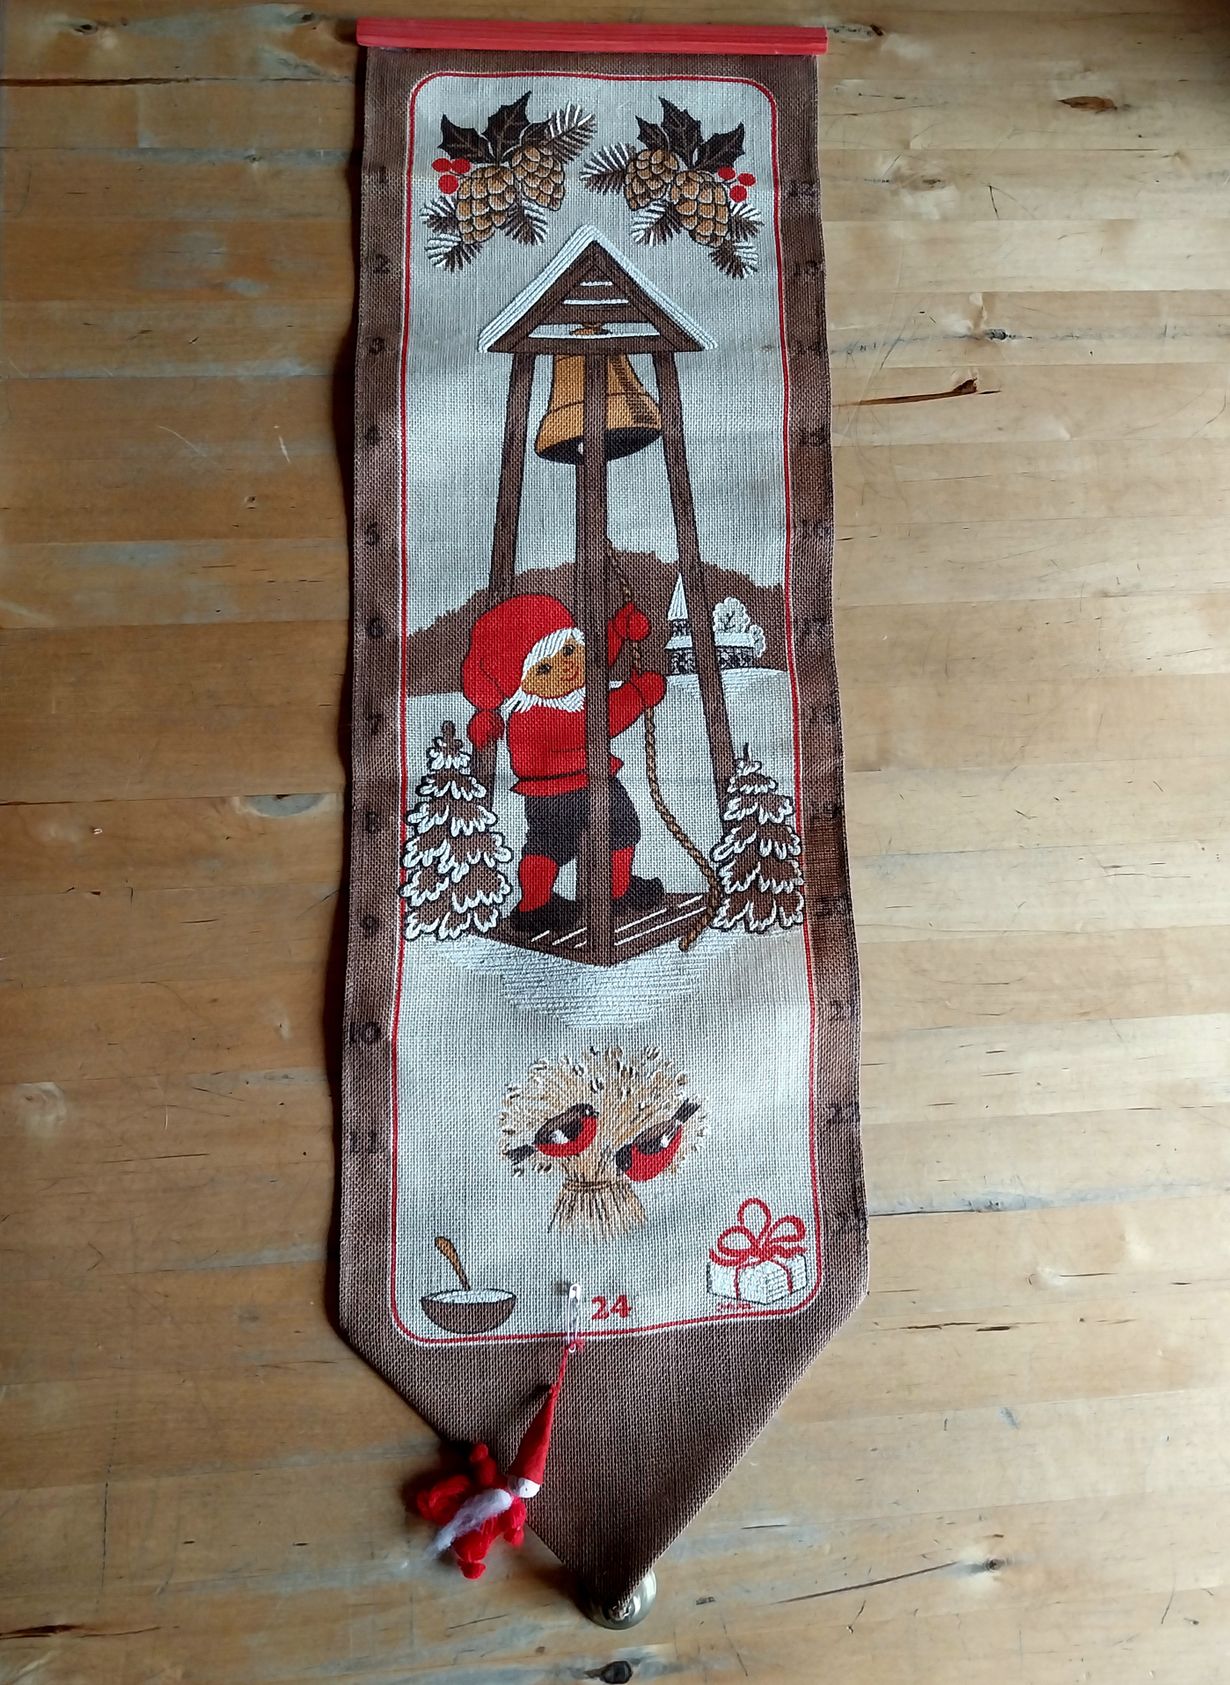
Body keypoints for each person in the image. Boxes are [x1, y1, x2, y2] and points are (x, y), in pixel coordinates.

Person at [462, 592, 667, 934]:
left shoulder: (552, 698)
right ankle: (600, 893)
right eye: (544, 668)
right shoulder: (540, 712)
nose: (567, 666)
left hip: (554, 790)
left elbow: (593, 666)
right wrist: (639, 694)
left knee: (559, 841)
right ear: (521, 682)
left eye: (569, 650)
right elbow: (600, 718)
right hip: (580, 785)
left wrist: (618, 630)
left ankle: (549, 901)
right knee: (610, 831)